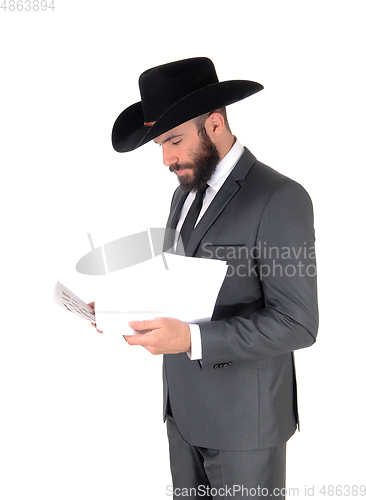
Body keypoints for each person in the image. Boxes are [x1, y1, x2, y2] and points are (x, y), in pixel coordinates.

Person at [108, 57, 319, 499]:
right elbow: (183, 286)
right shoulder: (183, 194)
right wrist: (117, 307)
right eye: (160, 145)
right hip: (182, 416)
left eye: (175, 141)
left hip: (246, 425)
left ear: (216, 123)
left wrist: (191, 340)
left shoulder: (280, 198)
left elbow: (298, 323)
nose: (166, 158)